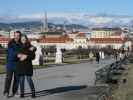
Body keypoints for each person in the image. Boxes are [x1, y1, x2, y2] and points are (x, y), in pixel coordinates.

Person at [3, 31, 22, 97]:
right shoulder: (11, 42)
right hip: (10, 63)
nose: (17, 37)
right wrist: (17, 54)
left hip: (18, 64)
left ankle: (15, 92)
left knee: (17, 79)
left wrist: (33, 48)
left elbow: (28, 47)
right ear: (14, 36)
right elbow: (11, 51)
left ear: (20, 36)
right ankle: (6, 92)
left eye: (18, 35)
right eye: (16, 35)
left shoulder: (21, 43)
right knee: (9, 78)